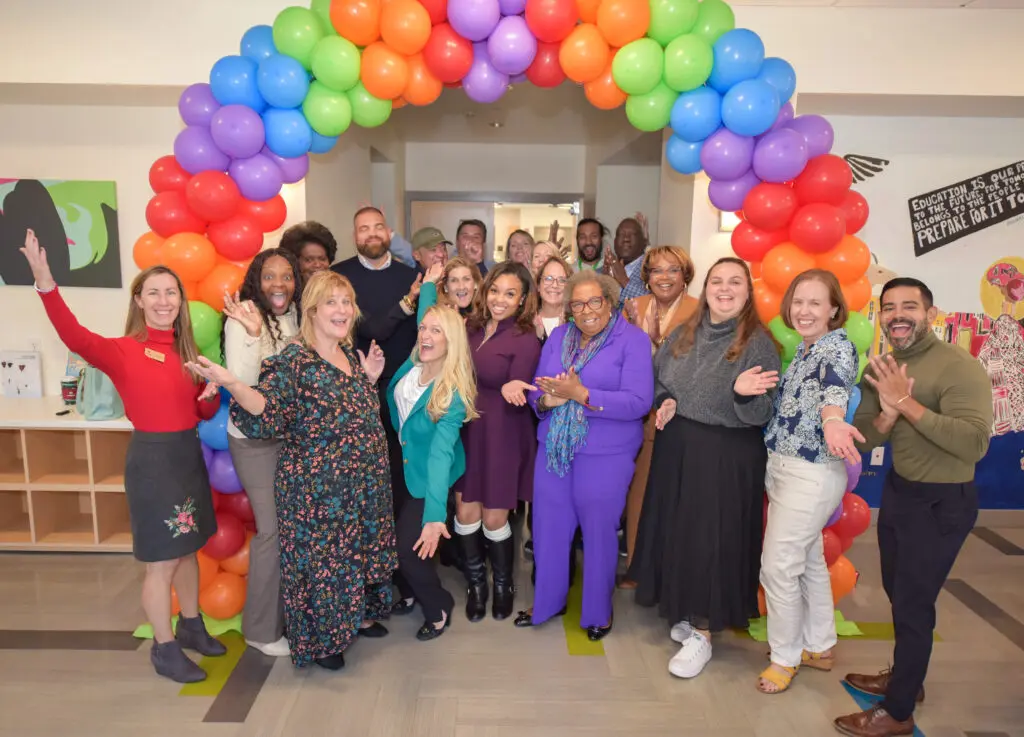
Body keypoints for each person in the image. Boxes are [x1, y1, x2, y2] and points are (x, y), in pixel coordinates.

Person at [20, 229, 225, 683]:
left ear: (180, 301)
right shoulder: (122, 350)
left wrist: (209, 393)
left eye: (171, 292)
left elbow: (196, 409)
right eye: (153, 292)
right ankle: (164, 647)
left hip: (186, 457)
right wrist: (44, 280)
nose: (163, 299)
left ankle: (192, 627)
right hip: (153, 463)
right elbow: (72, 334)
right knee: (162, 560)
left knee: (189, 549)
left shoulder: (188, 351)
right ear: (138, 300)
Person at [187, 270, 397, 671]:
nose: (342, 310)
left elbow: (346, 410)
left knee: (354, 553)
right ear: (313, 311)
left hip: (361, 481)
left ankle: (355, 617)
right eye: (332, 302)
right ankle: (322, 642)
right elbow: (266, 412)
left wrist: (368, 380)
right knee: (325, 562)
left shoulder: (350, 355)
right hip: (318, 487)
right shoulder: (292, 361)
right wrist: (231, 382)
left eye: (347, 302)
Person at [834, 278, 992, 737]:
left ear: (932, 313)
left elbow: (974, 443)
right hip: (902, 492)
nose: (898, 315)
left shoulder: (958, 367)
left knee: (914, 604)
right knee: (898, 595)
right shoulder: (884, 365)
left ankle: (898, 711)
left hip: (944, 501)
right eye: (889, 308)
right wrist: (887, 412)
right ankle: (908, 677)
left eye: (910, 306)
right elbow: (869, 433)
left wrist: (908, 403)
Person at [629, 257, 781, 679]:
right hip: (679, 448)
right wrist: (666, 402)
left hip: (725, 455)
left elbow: (763, 411)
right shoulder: (684, 332)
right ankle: (685, 608)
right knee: (680, 534)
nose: (725, 289)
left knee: (710, 541)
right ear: (706, 287)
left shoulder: (758, 342)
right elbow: (662, 381)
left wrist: (743, 394)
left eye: (736, 282)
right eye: (718, 281)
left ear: (748, 292)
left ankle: (703, 633)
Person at [513, 271, 652, 640]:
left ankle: (597, 613)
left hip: (606, 452)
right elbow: (535, 391)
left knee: (598, 531)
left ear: (609, 302)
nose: (587, 310)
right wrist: (547, 399)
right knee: (548, 528)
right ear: (570, 309)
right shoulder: (559, 336)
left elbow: (639, 402)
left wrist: (582, 395)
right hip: (555, 449)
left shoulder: (632, 340)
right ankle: (548, 602)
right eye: (578, 303)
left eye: (595, 301)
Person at [757, 270, 862, 694]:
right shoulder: (804, 349)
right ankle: (819, 644)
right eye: (799, 302)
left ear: (834, 309)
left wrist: (834, 421)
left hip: (810, 474)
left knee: (778, 565)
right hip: (785, 469)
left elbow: (833, 392)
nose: (804, 311)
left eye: (816, 303)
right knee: (811, 559)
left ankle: (785, 656)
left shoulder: (835, 347)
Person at [332, 207, 422, 615]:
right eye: (362, 228)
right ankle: (369, 586)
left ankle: (406, 578)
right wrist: (404, 305)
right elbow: (364, 333)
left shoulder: (411, 275)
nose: (371, 234)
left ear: (389, 232)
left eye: (377, 227)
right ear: (354, 235)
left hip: (404, 395)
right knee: (368, 491)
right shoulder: (340, 278)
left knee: (403, 485)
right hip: (356, 393)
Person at [221, 248, 302, 658]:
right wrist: (254, 335)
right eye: (270, 276)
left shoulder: (297, 316)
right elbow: (242, 383)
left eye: (286, 276)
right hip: (254, 440)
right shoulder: (244, 316)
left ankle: (287, 617)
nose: (279, 285)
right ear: (257, 278)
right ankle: (260, 629)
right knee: (271, 530)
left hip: (290, 438)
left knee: (290, 529)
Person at [454, 262, 542, 621]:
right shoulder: (470, 327)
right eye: (494, 291)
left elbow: (521, 383)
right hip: (466, 430)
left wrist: (512, 384)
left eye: (510, 294)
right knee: (465, 512)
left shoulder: (525, 338)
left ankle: (504, 585)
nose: (499, 300)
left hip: (503, 433)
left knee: (493, 518)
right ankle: (478, 586)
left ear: (523, 300)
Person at [387, 305, 479, 640]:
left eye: (436, 331)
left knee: (406, 552)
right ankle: (408, 592)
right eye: (424, 328)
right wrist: (431, 282)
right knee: (388, 538)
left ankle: (438, 605)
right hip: (401, 459)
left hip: (429, 474)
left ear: (451, 340)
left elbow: (441, 456)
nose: (426, 335)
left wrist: (435, 515)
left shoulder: (452, 394)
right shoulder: (414, 363)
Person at [619, 246, 698, 588]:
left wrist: (654, 343)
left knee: (677, 498)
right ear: (646, 277)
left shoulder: (700, 311)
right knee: (637, 493)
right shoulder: (632, 307)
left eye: (673, 270)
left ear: (685, 276)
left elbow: (695, 367)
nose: (664, 277)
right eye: (656, 271)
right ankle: (637, 567)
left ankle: (671, 572)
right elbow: (619, 360)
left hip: (682, 415)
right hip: (637, 416)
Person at [603, 214, 650, 305]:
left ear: (644, 242)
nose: (626, 239)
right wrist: (606, 282)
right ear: (614, 242)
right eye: (621, 234)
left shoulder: (652, 267)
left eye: (633, 234)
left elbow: (655, 304)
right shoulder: (605, 269)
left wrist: (624, 280)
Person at [534, 254, 573, 342]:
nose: (555, 285)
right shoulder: (526, 322)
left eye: (562, 280)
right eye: (548, 279)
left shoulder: (576, 322)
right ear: (538, 286)